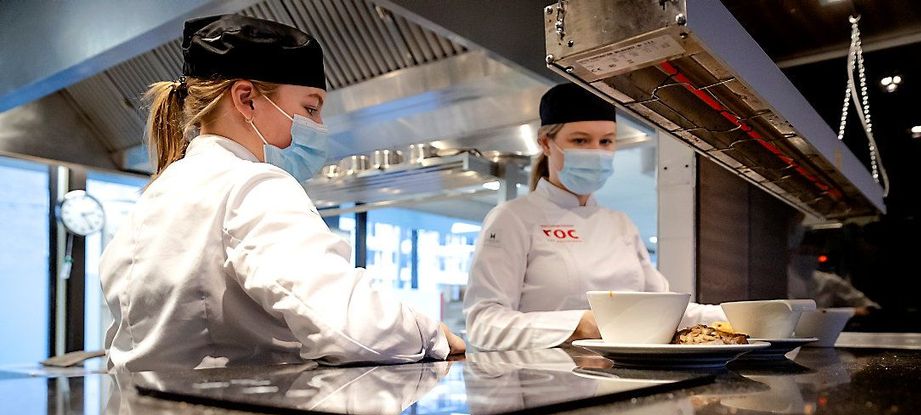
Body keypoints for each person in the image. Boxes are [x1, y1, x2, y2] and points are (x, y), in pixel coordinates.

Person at [99, 14, 464, 371]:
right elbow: (350, 326)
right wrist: (431, 334)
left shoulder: (155, 194)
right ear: (247, 99)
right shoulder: (250, 186)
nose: (318, 126)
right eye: (310, 108)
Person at [464, 83, 724, 351]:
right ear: (545, 143)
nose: (596, 151)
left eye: (606, 141)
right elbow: (484, 325)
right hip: (546, 383)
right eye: (580, 140)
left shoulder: (620, 224)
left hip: (625, 380)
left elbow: (666, 309)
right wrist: (580, 325)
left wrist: (735, 317)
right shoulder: (512, 219)